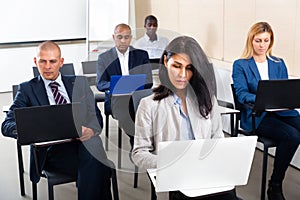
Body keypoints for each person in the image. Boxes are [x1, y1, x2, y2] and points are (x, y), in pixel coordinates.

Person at [1, 41, 112, 199]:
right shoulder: (27, 89)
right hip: (52, 153)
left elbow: (96, 118)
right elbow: (7, 125)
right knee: (99, 163)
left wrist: (91, 130)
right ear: (35, 62)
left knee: (92, 147)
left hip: (81, 144)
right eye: (42, 61)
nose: (47, 66)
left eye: (52, 61)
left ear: (61, 62)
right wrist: (34, 131)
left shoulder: (79, 83)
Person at [132, 36, 238, 200]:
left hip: (206, 173)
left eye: (189, 68)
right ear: (166, 61)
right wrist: (167, 162)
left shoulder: (207, 99)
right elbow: (139, 153)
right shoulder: (149, 105)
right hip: (176, 179)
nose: (182, 74)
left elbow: (217, 137)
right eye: (177, 66)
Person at [232, 22, 300, 200]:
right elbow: (241, 94)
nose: (262, 45)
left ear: (271, 41)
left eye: (266, 41)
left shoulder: (278, 63)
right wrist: (263, 99)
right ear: (251, 41)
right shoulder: (241, 65)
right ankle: (275, 185)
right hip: (257, 115)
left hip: (282, 111)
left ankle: (276, 181)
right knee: (292, 136)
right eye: (258, 40)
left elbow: (283, 89)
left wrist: (288, 98)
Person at [96, 23, 153, 149]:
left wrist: (132, 84)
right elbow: (100, 84)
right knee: (127, 112)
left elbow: (149, 81)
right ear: (113, 37)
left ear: (131, 38)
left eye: (126, 37)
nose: (123, 41)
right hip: (117, 98)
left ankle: (142, 142)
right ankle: (137, 141)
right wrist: (120, 84)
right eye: (119, 37)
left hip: (137, 96)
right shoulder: (104, 58)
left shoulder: (141, 55)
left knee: (145, 110)